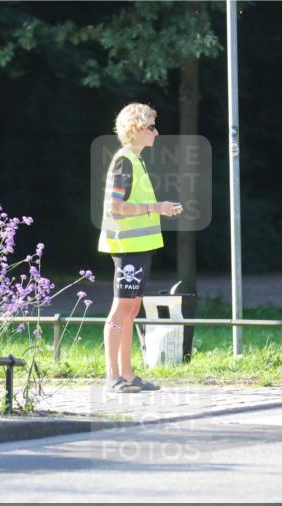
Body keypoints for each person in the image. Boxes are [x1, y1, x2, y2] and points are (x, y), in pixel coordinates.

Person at [99, 103, 183, 393]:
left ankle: (128, 375)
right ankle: (113, 377)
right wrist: (156, 207)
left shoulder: (136, 160)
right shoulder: (124, 161)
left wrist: (158, 209)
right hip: (127, 247)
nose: (156, 133)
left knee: (132, 308)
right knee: (121, 309)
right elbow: (116, 207)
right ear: (136, 129)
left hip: (140, 247)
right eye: (151, 127)